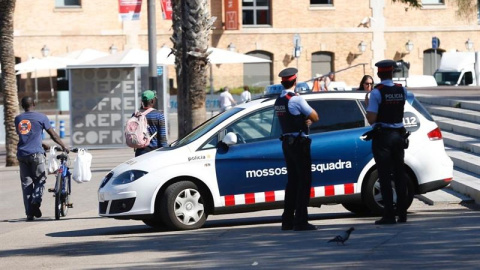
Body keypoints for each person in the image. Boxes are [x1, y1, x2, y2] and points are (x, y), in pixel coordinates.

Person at [274, 67, 319, 231]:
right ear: (295, 81)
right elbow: (315, 116)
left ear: (282, 82)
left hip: (287, 142)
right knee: (304, 181)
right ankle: (300, 220)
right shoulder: (296, 99)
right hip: (299, 144)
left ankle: (287, 220)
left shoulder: (279, 100)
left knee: (292, 182)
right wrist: (307, 119)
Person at [365, 60, 409, 225]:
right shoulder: (401, 90)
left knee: (384, 174)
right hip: (399, 136)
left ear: (378, 74)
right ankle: (403, 214)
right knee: (399, 174)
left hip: (383, 137)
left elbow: (372, 118)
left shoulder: (376, 93)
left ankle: (389, 214)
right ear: (392, 73)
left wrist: (367, 104)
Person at [15, 96, 69, 221]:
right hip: (36, 154)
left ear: (22, 106)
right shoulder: (41, 117)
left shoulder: (18, 119)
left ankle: (29, 213)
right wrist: (63, 146)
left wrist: (41, 144)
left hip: (22, 154)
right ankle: (36, 201)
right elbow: (53, 134)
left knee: (26, 184)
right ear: (34, 103)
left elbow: (26, 136)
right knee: (40, 179)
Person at [134, 90, 168, 157]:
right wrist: (166, 151)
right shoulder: (159, 115)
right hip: (154, 151)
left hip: (139, 151)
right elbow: (162, 137)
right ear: (152, 101)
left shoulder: (136, 114)